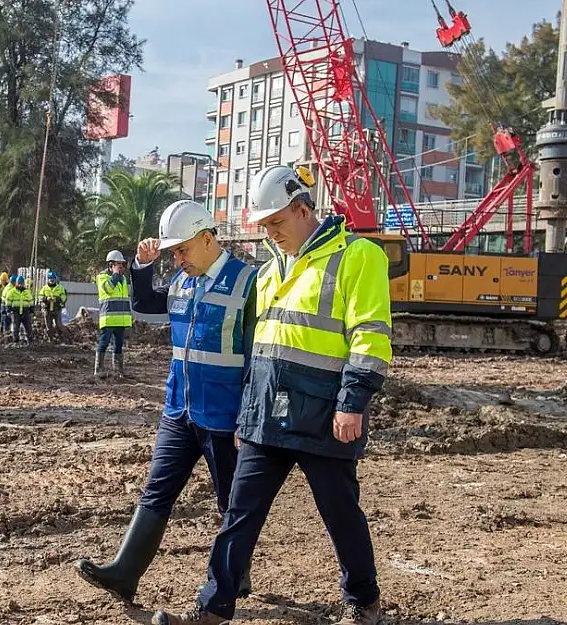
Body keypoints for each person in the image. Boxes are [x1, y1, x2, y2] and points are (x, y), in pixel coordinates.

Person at [151, 165, 394, 625]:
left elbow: (371, 336)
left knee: (340, 513)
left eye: (277, 222)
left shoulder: (357, 256)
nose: (271, 233)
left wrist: (353, 402)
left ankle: (364, 603)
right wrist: (247, 415)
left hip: (324, 413)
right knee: (239, 513)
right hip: (266, 413)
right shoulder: (267, 272)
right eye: (265, 226)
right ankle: (213, 607)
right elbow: (257, 350)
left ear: (304, 210)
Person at [75, 200, 257, 604]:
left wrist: (249, 416)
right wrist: (142, 266)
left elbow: (255, 357)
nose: (177, 258)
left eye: (182, 250)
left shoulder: (247, 282)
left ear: (207, 239)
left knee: (231, 500)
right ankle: (125, 572)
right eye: (172, 251)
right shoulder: (182, 281)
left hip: (225, 415)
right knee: (157, 490)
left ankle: (235, 577)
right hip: (180, 409)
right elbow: (144, 304)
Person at [94, 250, 133, 378]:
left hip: (121, 320)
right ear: (110, 265)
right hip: (109, 318)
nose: (120, 267)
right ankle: (98, 370)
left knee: (119, 346)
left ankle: (118, 372)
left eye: (121, 264)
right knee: (103, 343)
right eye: (117, 264)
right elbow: (109, 289)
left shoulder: (123, 279)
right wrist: (115, 275)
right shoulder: (102, 277)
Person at [5, 275, 35, 343]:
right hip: (15, 312)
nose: (20, 285)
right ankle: (15, 340)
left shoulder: (27, 292)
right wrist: (8, 310)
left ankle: (30, 340)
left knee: (28, 327)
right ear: (16, 283)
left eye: (21, 283)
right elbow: (8, 301)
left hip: (25, 312)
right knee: (16, 327)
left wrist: (31, 309)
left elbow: (31, 301)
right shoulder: (12, 292)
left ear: (23, 283)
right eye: (19, 283)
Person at [39, 270, 67, 339]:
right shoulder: (44, 288)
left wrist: (57, 299)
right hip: (47, 309)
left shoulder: (60, 288)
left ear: (55, 279)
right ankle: (50, 339)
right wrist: (46, 299)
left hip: (57, 308)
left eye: (53, 278)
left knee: (59, 325)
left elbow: (64, 297)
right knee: (49, 326)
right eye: (50, 278)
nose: (51, 280)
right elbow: (40, 297)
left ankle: (63, 338)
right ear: (48, 279)